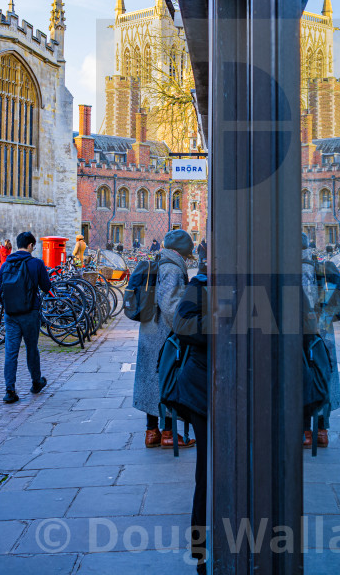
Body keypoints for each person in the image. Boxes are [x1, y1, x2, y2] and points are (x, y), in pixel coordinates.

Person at [134, 229, 195, 449]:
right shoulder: (172, 267)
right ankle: (169, 433)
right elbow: (170, 304)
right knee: (169, 378)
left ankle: (152, 433)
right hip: (163, 333)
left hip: (151, 329)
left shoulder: (161, 261)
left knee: (151, 382)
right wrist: (184, 328)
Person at [170, 262, 208, 575]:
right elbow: (182, 324)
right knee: (206, 469)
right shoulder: (200, 285)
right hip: (203, 389)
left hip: (247, 390)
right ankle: (199, 547)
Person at [0, 231, 54, 403]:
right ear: (30, 245)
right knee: (32, 348)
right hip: (30, 313)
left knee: (11, 352)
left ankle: (10, 390)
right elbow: (46, 287)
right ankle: (36, 382)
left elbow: (0, 291)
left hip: (11, 314)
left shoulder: (6, 265)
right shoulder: (36, 263)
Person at [302, 233, 340, 447]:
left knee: (302, 377)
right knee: (323, 376)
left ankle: (306, 432)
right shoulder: (323, 267)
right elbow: (338, 296)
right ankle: (322, 431)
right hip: (324, 334)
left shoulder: (292, 269)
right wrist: (324, 319)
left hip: (300, 334)